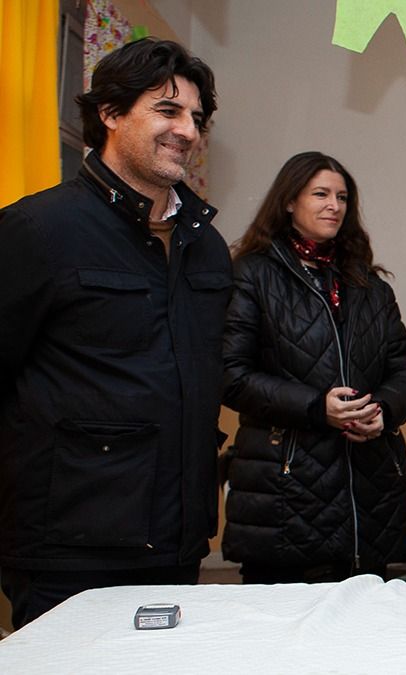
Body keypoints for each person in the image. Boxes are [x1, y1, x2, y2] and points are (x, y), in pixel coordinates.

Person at [0, 38, 226, 628]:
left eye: (196, 118)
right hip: (68, 553)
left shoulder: (206, 248)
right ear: (110, 112)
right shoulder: (38, 230)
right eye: (167, 110)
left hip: (178, 543)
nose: (187, 131)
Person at [221, 152, 406, 584]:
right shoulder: (252, 275)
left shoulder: (369, 286)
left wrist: (383, 413)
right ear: (290, 201)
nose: (334, 204)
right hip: (285, 492)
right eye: (321, 194)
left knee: (364, 639)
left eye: (343, 196)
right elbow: (231, 376)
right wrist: (317, 407)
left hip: (369, 494)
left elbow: (405, 371)